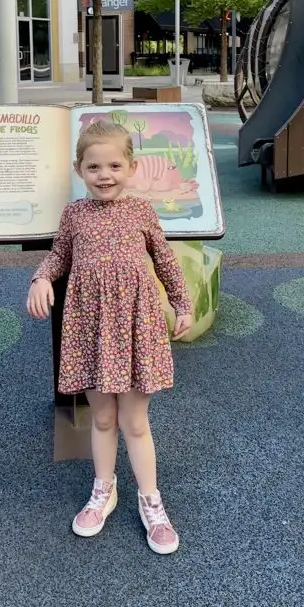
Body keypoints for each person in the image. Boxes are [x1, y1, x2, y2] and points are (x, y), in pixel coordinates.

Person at [26, 119, 193, 555]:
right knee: (101, 418)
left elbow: (166, 261)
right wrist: (41, 278)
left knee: (135, 422)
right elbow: (59, 254)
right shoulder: (74, 215)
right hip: (91, 329)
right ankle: (104, 489)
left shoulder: (141, 212)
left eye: (115, 165)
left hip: (136, 328)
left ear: (131, 167)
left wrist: (183, 303)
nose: (105, 175)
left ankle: (151, 500)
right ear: (80, 169)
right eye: (94, 166)